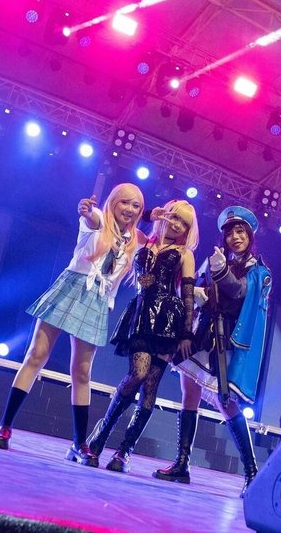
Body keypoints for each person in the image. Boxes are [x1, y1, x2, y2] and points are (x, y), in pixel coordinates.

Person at [0, 183, 146, 467]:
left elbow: (152, 242)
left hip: (96, 300)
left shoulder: (133, 241)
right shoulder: (98, 220)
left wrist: (157, 220)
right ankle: (5, 427)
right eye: (124, 202)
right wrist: (85, 210)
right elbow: (91, 217)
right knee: (36, 355)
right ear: (113, 202)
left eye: (136, 206)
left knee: (82, 372)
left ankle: (78, 443)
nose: (129, 209)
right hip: (72, 287)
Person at [153, 205, 272, 498]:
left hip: (226, 339)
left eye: (240, 231)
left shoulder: (258, 270)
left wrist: (220, 273)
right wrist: (198, 295)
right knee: (189, 393)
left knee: (226, 402)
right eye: (230, 233)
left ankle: (252, 474)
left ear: (250, 236)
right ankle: (182, 463)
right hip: (203, 331)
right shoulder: (216, 259)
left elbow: (239, 292)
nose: (235, 237)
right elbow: (197, 289)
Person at [86, 199, 199, 473]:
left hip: (168, 322)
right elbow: (123, 223)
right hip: (141, 314)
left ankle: (124, 451)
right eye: (174, 217)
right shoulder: (142, 240)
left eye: (183, 223)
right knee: (137, 374)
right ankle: (100, 435)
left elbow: (187, 296)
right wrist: (150, 215)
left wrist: (186, 333)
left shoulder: (184, 254)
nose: (177, 225)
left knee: (150, 388)